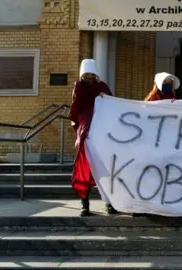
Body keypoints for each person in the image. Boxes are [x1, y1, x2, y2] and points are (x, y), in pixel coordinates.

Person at [68, 59, 117, 217]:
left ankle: (109, 203)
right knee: (85, 169)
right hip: (85, 134)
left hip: (102, 134)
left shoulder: (102, 87)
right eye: (86, 75)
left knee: (106, 170)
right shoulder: (78, 88)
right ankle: (85, 205)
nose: (88, 77)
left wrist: (106, 98)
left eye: (91, 74)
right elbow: (76, 109)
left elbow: (113, 105)